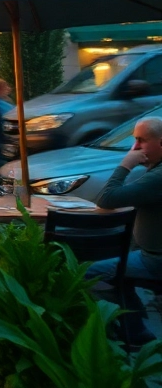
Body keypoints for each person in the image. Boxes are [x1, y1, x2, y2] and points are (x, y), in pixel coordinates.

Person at [91, 116, 162, 344]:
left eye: (141, 140)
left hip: (154, 260)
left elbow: (107, 198)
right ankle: (136, 327)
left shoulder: (158, 177)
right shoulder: (156, 171)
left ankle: (133, 333)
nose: (135, 147)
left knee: (87, 273)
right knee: (118, 265)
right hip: (148, 253)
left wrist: (125, 165)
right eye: (134, 140)